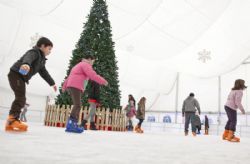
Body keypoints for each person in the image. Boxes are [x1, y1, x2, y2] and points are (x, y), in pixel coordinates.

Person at [6, 37, 57, 132]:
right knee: (21, 98)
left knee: (21, 98)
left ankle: (11, 122)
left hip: (20, 77)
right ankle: (12, 120)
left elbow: (44, 73)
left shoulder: (42, 60)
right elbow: (28, 57)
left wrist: (52, 83)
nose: (50, 51)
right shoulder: (35, 52)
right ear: (42, 46)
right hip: (16, 74)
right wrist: (26, 64)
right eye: (49, 48)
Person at [62, 55, 108, 133]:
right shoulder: (85, 64)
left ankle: (73, 124)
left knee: (78, 105)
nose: (93, 63)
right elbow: (92, 75)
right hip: (75, 85)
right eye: (93, 61)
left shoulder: (79, 64)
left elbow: (69, 76)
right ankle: (71, 125)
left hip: (73, 85)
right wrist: (103, 81)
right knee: (78, 105)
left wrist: (64, 86)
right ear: (89, 59)